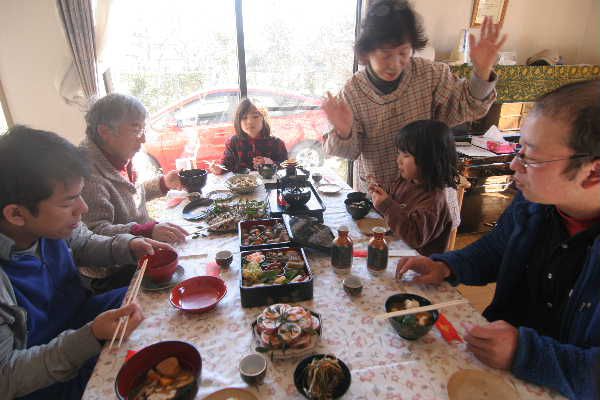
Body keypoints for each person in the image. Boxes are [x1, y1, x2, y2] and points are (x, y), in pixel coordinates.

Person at [396, 80, 600, 399]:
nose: (513, 164)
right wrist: (447, 265)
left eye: (530, 158)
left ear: (593, 172)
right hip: (494, 370)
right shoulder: (535, 204)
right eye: (518, 149)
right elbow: (494, 251)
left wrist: (525, 352)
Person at [0, 126, 150, 399]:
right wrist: (89, 337)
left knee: (150, 299)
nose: (82, 208)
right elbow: (6, 376)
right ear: (16, 214)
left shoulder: (49, 226)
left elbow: (85, 243)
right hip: (40, 376)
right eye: (69, 201)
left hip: (80, 318)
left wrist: (130, 246)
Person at [322, 0, 506, 193]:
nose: (395, 64)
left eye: (403, 52)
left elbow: (469, 106)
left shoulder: (431, 75)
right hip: (382, 196)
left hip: (429, 197)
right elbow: (350, 152)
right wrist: (344, 132)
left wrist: (482, 71)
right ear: (367, 51)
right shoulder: (353, 91)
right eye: (385, 54)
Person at [80, 93, 188, 244]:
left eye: (143, 130)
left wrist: (163, 183)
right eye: (136, 129)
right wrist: (146, 232)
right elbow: (94, 233)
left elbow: (129, 197)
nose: (143, 139)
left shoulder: (118, 155)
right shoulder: (87, 175)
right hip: (125, 262)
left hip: (144, 243)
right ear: (105, 132)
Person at [368, 120, 457, 255]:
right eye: (399, 153)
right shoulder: (406, 181)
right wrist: (381, 195)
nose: (399, 160)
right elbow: (394, 208)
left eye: (406, 155)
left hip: (418, 266)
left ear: (428, 160)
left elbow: (415, 237)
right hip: (396, 251)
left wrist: (386, 205)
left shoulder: (433, 201)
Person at [210, 99, 288, 174]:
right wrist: (219, 169)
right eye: (244, 118)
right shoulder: (233, 142)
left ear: (263, 118)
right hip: (241, 185)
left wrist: (270, 163)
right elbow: (226, 164)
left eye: (255, 116)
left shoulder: (277, 143)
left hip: (268, 186)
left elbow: (285, 165)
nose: (250, 121)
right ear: (238, 122)